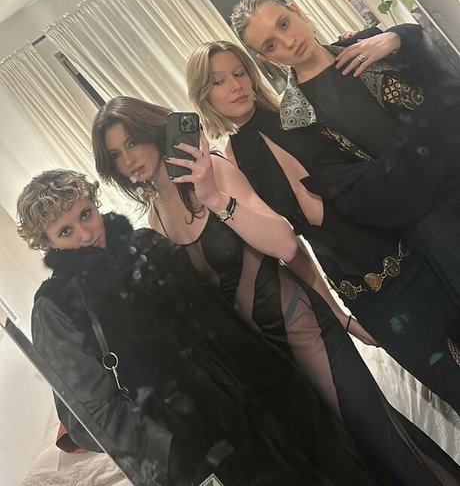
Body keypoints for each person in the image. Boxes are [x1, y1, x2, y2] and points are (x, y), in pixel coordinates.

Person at [91, 97, 460, 485]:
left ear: (152, 131)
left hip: (301, 326)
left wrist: (214, 198)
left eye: (132, 143)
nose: (128, 159)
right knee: (346, 456)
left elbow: (285, 244)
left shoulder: (215, 172)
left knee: (377, 439)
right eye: (116, 155)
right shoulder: (155, 219)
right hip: (260, 360)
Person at [17, 169, 383, 486]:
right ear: (47, 243)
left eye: (86, 214)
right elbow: (92, 416)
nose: (85, 234)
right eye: (65, 231)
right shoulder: (55, 306)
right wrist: (176, 454)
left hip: (274, 399)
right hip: (203, 448)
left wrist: (281, 376)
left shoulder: (145, 244)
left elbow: (220, 315)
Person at [186, 39, 460, 417]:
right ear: (204, 95)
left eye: (239, 73)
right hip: (365, 291)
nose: (236, 86)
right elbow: (290, 250)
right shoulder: (229, 164)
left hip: (415, 252)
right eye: (219, 81)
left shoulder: (299, 112)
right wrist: (339, 315)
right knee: (451, 387)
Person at [228, 0, 460, 307]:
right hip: (430, 217)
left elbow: (445, 77)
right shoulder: (298, 119)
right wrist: (435, 139)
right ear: (265, 57)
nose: (288, 41)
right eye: (271, 45)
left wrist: (400, 37)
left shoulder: (370, 44)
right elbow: (362, 191)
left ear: (295, 10)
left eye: (284, 23)